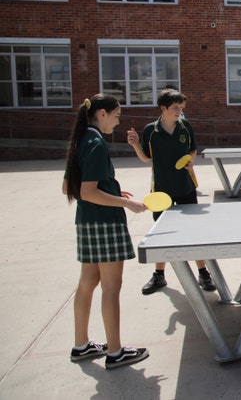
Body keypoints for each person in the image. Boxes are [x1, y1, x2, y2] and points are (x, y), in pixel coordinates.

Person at [63, 94, 149, 369]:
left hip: (86, 222)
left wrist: (111, 189)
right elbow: (88, 192)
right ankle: (115, 352)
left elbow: (70, 188)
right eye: (116, 115)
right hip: (105, 223)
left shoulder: (80, 139)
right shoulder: (96, 143)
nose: (118, 120)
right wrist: (128, 203)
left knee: (87, 283)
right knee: (112, 287)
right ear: (101, 113)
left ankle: (81, 345)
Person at [127, 89, 216, 295]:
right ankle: (159, 276)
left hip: (186, 188)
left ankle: (203, 273)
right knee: (162, 234)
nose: (179, 111)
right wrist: (134, 145)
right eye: (176, 107)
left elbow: (192, 149)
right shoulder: (151, 130)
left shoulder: (185, 127)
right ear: (163, 108)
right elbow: (146, 158)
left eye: (181, 107)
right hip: (161, 192)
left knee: (193, 233)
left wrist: (192, 159)